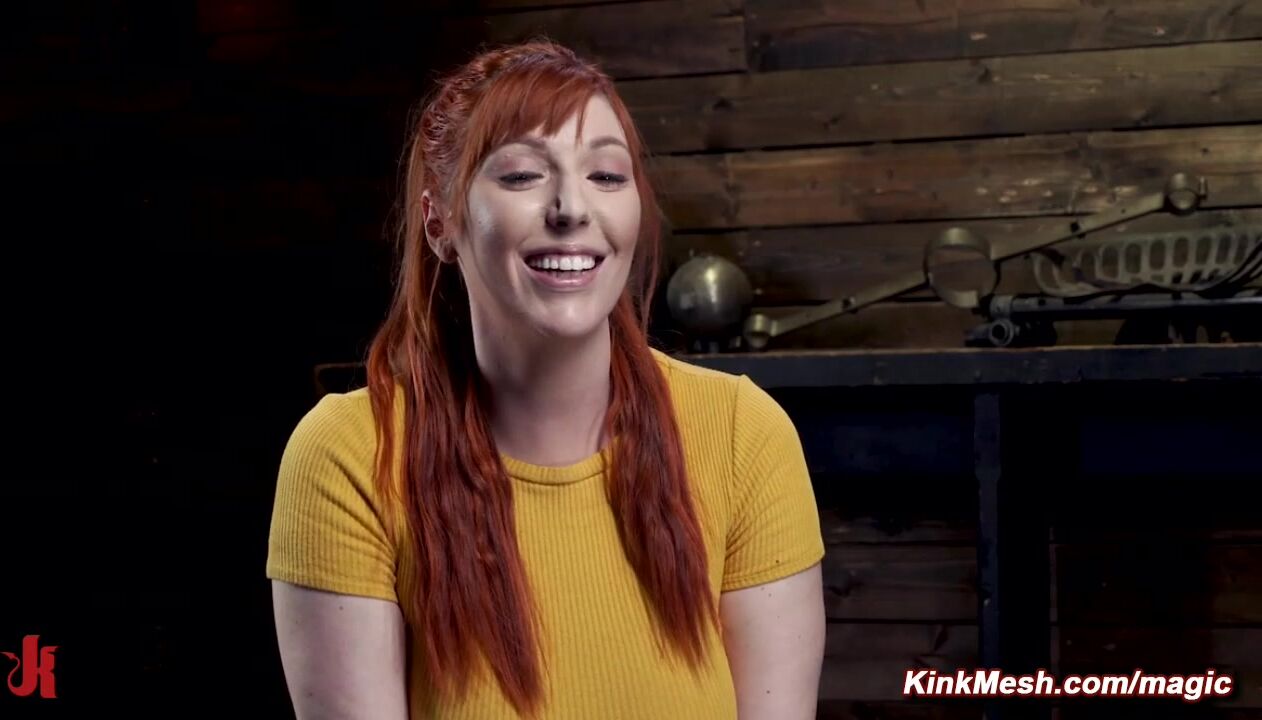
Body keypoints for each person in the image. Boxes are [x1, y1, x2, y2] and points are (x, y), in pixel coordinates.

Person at [266, 40, 826, 720]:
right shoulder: (350, 455)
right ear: (440, 222)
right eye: (523, 176)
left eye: (606, 175)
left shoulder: (743, 435)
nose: (571, 208)